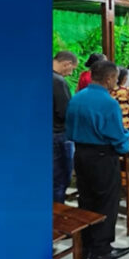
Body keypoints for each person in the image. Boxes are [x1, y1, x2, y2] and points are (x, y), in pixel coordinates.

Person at [66, 60, 129, 259]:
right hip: (102, 157)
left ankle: (86, 245)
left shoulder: (77, 97)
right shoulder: (108, 103)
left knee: (86, 199)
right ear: (109, 78)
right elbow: (116, 136)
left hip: (81, 155)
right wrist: (126, 141)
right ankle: (101, 249)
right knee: (106, 202)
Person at [53, 51, 78, 203]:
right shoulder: (58, 81)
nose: (71, 73)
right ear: (66, 64)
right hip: (58, 134)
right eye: (72, 69)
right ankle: (58, 217)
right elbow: (65, 112)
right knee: (60, 178)